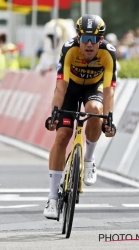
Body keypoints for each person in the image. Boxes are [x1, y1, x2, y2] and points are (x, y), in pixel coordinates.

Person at [43, 14, 117, 219]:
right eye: (85, 38)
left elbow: (109, 91)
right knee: (62, 135)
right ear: (78, 38)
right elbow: (60, 88)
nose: (90, 44)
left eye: (94, 39)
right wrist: (54, 115)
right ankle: (52, 198)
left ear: (101, 40)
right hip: (70, 89)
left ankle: (90, 159)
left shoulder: (108, 53)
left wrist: (108, 120)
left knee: (95, 109)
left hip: (94, 87)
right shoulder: (69, 49)